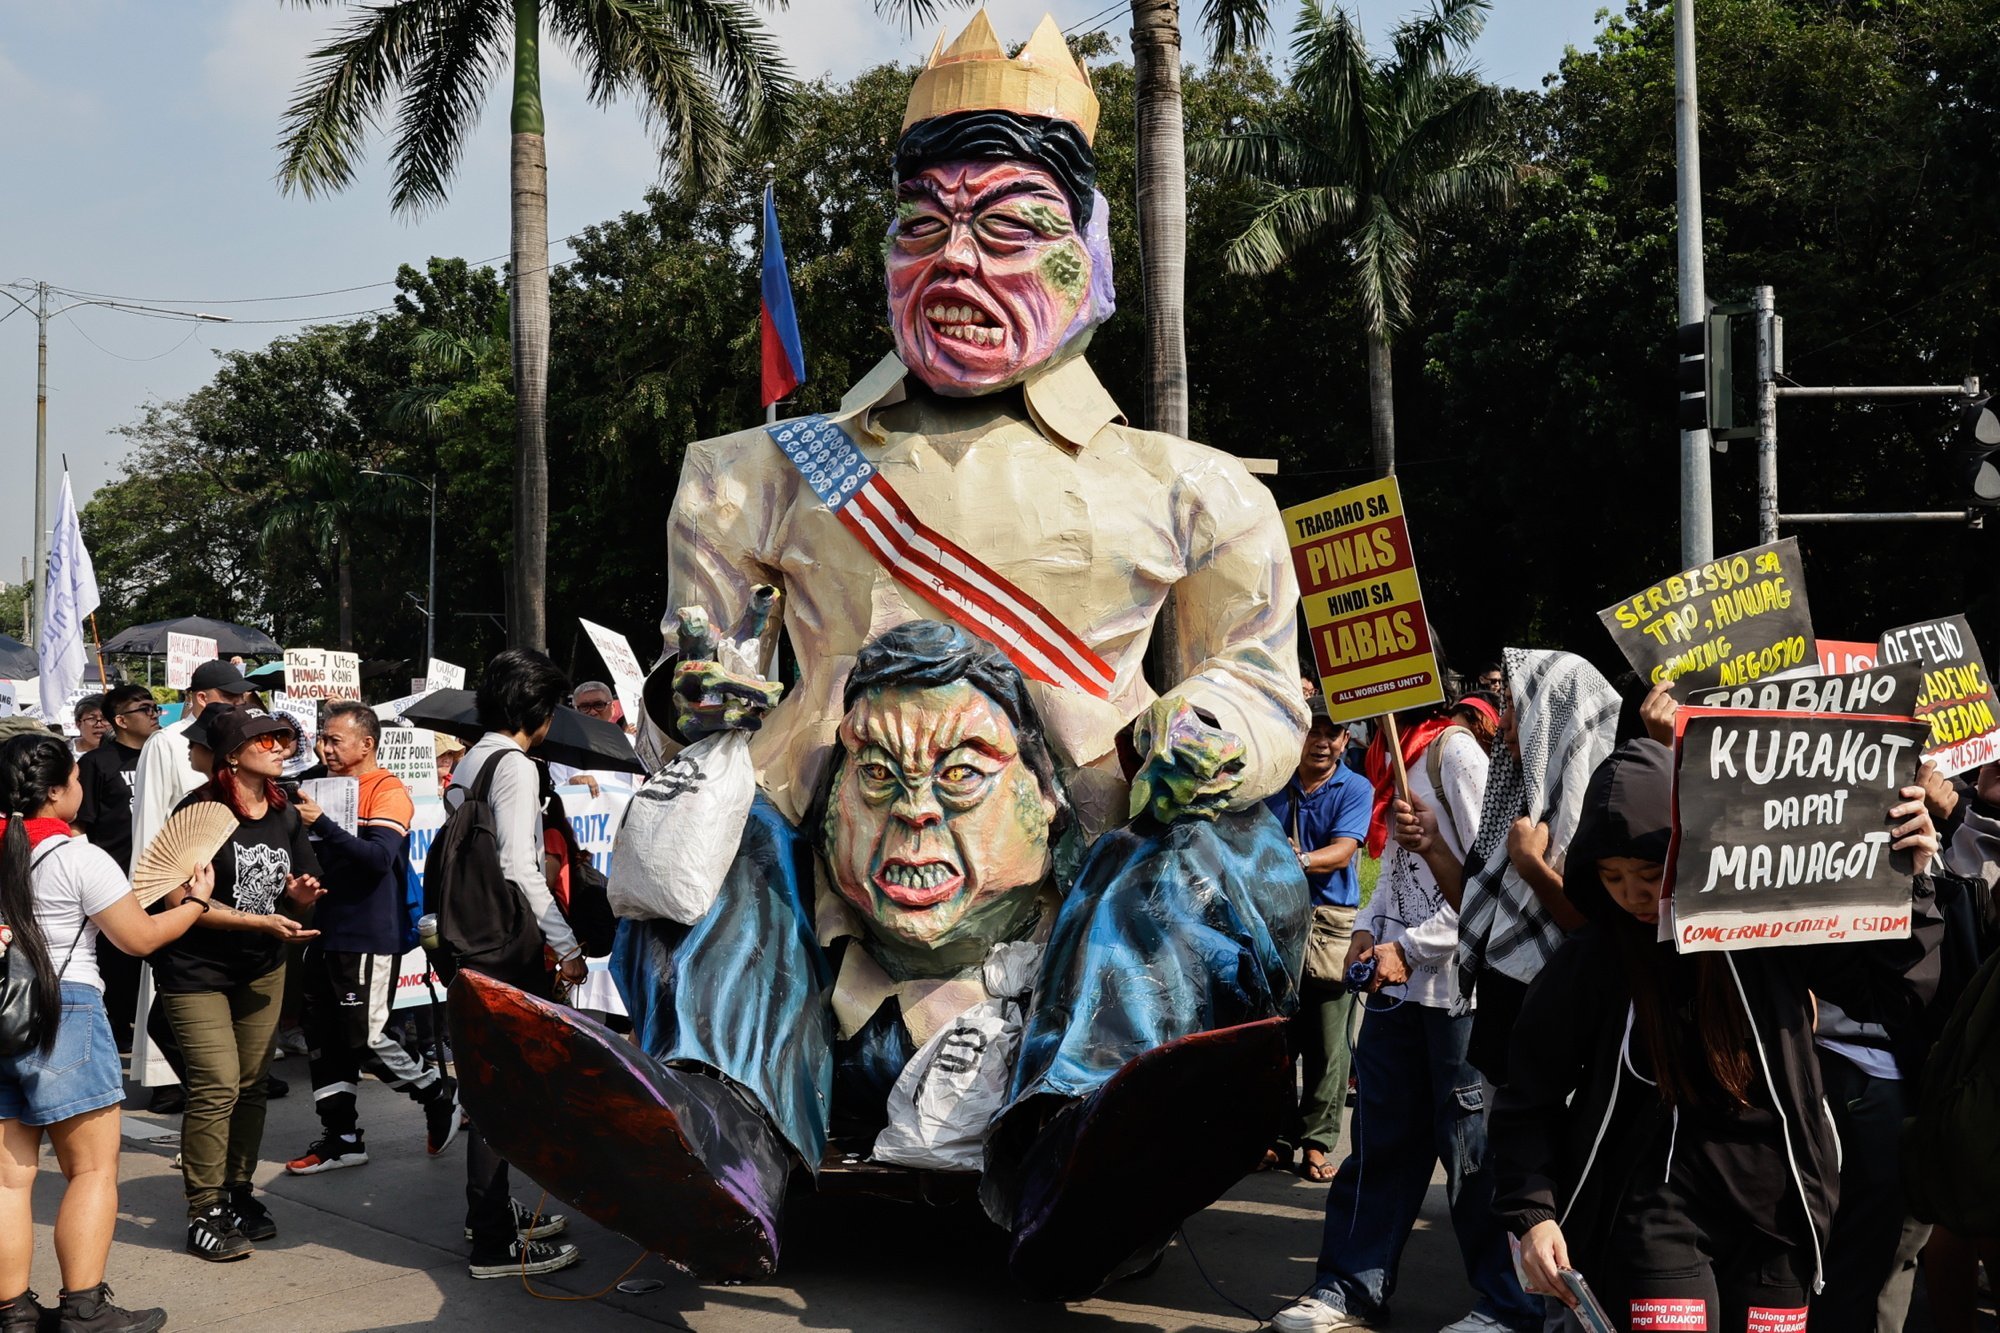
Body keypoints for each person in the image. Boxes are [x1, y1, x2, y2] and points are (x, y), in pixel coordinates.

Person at [1492, 740, 1943, 1333]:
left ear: (1688, 853)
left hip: (1780, 1211)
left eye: (1650, 873)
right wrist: (1534, 1212)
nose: (1632, 894)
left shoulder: (1769, 926)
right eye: (1612, 876)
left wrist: (1911, 882)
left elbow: (1899, 994)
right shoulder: (1597, 958)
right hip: (1653, 1208)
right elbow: (1529, 1091)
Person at [1277, 714, 1539, 1333]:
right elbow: (1396, 870)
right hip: (1396, 994)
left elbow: (1490, 884)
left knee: (1472, 1153)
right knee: (1379, 1146)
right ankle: (1348, 1286)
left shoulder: (1454, 756)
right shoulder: (1396, 758)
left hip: (1457, 995)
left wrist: (1413, 948)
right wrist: (1369, 926)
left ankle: (1510, 1304)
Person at [0, 732, 218, 1333]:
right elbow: (139, 938)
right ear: (53, 790)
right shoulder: (78, 856)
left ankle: (13, 1315)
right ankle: (84, 1308)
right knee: (91, 1171)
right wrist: (197, 901)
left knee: (7, 1181)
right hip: (65, 1009)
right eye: (74, 779)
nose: (81, 787)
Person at [151, 709, 324, 1262]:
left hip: (263, 966)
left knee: (251, 1084)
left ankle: (238, 1192)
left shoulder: (284, 812)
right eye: (265, 739)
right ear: (231, 754)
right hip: (195, 971)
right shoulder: (199, 811)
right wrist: (260, 921)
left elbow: (296, 889)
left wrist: (299, 896)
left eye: (283, 738)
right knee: (218, 1084)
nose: (279, 746)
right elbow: (179, 900)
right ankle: (204, 1209)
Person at [1407, 650, 1622, 1082]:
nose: (1501, 723)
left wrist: (1532, 866)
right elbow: (1475, 907)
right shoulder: (1513, 801)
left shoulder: (1605, 807)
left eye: (1517, 709)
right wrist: (1432, 846)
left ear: (1554, 717)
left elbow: (1588, 925)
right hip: (1504, 1040)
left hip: (1562, 1050)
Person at [283, 702, 458, 1176]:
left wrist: (322, 824)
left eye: (335, 739)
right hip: (320, 927)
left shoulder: (387, 790)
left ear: (367, 744)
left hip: (366, 931)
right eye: (322, 738)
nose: (325, 748)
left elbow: (378, 858)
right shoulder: (315, 783)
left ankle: (436, 1093)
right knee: (324, 1037)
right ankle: (341, 1137)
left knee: (364, 1036)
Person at [450, 650, 582, 1280]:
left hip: (471, 941)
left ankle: (491, 1213)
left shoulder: (473, 758)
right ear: (542, 712)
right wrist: (567, 944)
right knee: (503, 1091)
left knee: (488, 1083)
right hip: (509, 944)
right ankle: (493, 1239)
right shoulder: (516, 767)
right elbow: (518, 866)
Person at [1263, 702, 1371, 1182]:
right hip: (1275, 925)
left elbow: (1345, 850)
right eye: (1314, 731)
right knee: (1279, 1038)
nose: (1323, 741)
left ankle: (1316, 1143)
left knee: (1330, 1044)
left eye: (1333, 733)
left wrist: (1299, 861)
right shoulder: (1273, 781)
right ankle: (1277, 1139)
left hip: (1330, 926)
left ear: (1346, 741)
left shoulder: (1357, 787)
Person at [75, 685, 159, 1053]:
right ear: (121, 721)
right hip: (114, 880)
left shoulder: (164, 757)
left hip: (158, 877)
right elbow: (80, 824)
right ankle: (116, 1028)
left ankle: (144, 1028)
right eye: (145, 708)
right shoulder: (96, 764)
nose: (154, 713)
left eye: (156, 707)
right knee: (118, 961)